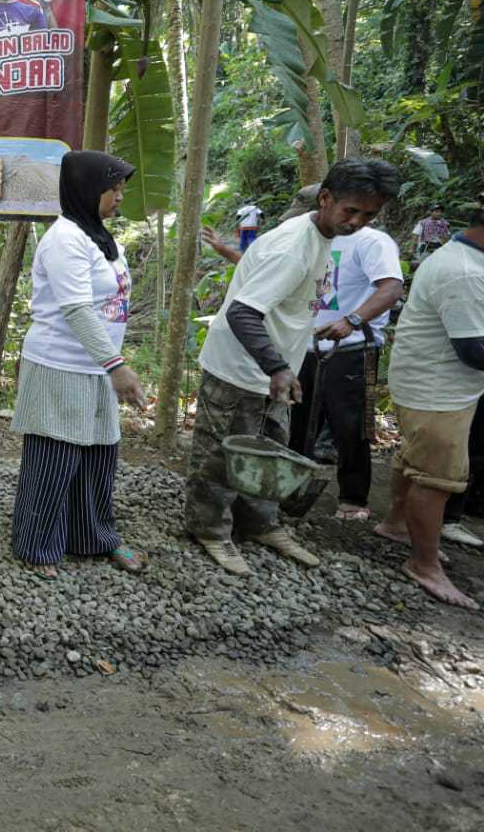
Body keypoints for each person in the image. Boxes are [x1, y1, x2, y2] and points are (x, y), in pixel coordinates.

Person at [185, 158, 400, 575]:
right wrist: (279, 368)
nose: (356, 222)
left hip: (272, 368)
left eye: (368, 215)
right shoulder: (292, 247)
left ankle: (260, 523)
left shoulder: (323, 236)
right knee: (219, 453)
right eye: (350, 211)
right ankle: (209, 529)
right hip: (239, 368)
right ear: (325, 198)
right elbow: (242, 313)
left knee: (269, 449)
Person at [10, 152, 150, 576]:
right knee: (54, 456)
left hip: (96, 367)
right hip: (61, 363)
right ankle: (36, 546)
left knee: (97, 455)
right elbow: (75, 308)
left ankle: (92, 537)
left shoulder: (101, 237)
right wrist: (117, 365)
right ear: (88, 190)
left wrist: (112, 364)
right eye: (113, 189)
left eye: (121, 189)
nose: (119, 197)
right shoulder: (64, 239)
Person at [377, 201, 484, 609]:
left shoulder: (460, 258)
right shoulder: (464, 273)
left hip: (423, 380)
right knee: (437, 477)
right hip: (438, 390)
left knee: (414, 459)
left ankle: (396, 524)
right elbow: (474, 350)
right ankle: (424, 565)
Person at [287, 219, 403, 523]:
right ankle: (289, 488)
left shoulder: (373, 242)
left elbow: (391, 288)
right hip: (308, 346)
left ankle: (353, 498)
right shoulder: (317, 238)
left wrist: (351, 320)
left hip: (352, 348)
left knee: (350, 426)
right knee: (297, 420)